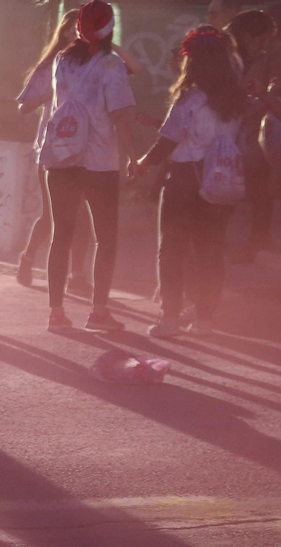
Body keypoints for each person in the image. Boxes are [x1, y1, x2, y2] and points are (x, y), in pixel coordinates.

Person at [128, 26, 250, 337]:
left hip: (185, 179)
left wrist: (142, 165)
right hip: (222, 179)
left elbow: (168, 140)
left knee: (172, 248)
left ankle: (169, 318)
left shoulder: (190, 98)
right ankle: (205, 318)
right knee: (210, 250)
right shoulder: (237, 100)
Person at [39, 0, 137, 333]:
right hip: (100, 161)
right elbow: (120, 115)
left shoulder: (62, 60)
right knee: (105, 238)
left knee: (61, 234)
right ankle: (98, 312)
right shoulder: (111, 64)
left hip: (62, 156)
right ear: (110, 29)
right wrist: (133, 156)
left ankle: (56, 312)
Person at [15, 10, 95, 291]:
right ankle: (27, 258)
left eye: (80, 30)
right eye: (70, 29)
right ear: (62, 33)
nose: (75, 35)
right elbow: (23, 106)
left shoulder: (92, 65)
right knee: (53, 216)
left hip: (84, 149)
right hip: (51, 148)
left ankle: (77, 276)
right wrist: (51, 93)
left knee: (82, 216)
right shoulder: (49, 66)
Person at [228, 9, 278, 260]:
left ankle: (257, 240)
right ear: (247, 36)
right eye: (261, 39)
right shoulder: (226, 57)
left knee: (259, 188)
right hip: (232, 131)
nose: (264, 45)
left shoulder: (262, 57)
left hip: (252, 131)